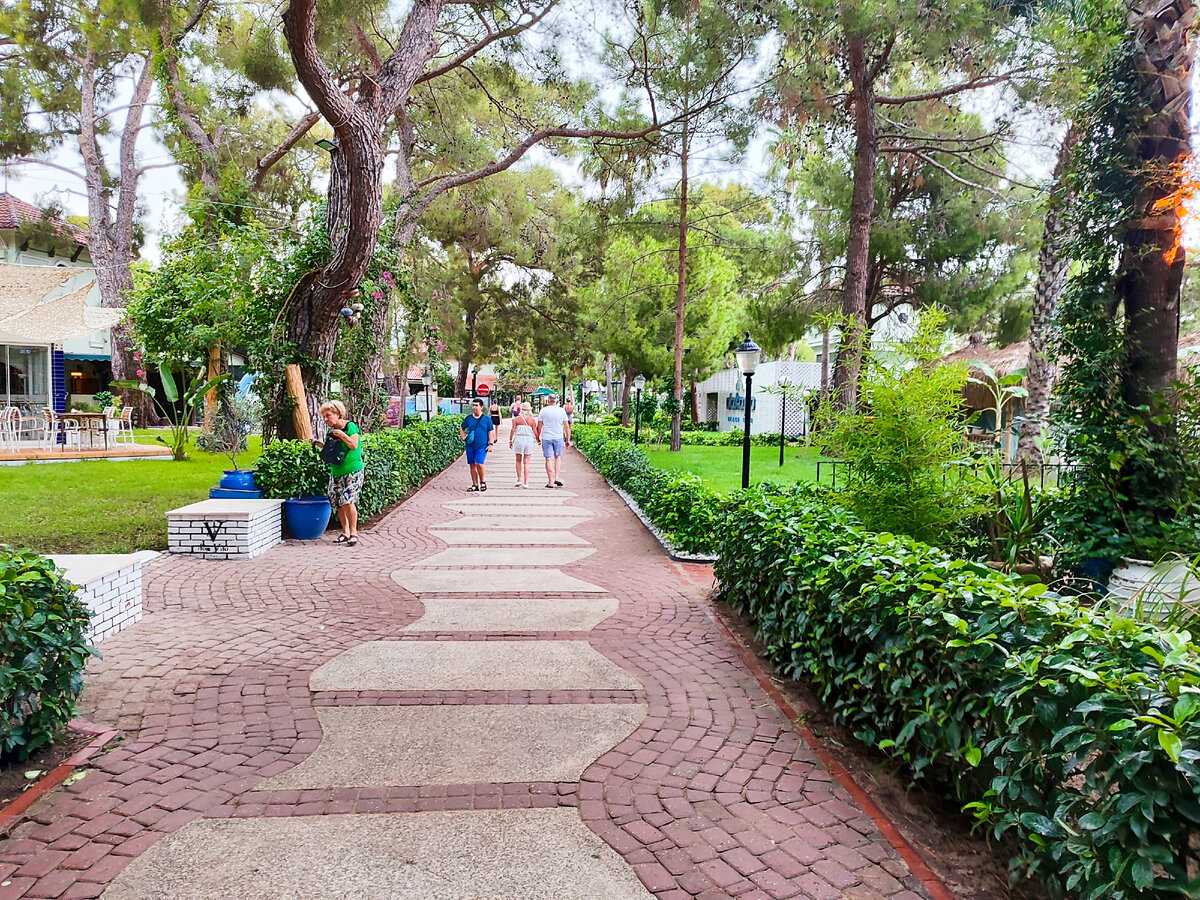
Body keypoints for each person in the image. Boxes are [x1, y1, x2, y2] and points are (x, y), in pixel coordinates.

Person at [315, 400, 364, 546]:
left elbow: (353, 445)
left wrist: (342, 435)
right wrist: (318, 443)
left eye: (328, 416)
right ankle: (345, 532)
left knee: (348, 501)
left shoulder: (350, 427)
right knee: (338, 503)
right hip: (336, 471)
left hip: (352, 471)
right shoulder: (332, 432)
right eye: (323, 417)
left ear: (338, 413)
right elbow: (333, 450)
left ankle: (354, 533)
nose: (326, 420)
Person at [460, 398, 495, 491]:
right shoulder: (468, 418)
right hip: (470, 445)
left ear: (481, 407)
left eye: (476, 405)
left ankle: (482, 481)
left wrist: (491, 444)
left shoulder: (487, 419)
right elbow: (462, 427)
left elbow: (491, 432)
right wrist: (463, 437)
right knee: (472, 464)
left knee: (479, 463)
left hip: (482, 445)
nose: (474, 407)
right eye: (473, 405)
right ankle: (475, 484)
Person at [536, 393, 571, 488]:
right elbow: (567, 426)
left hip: (546, 437)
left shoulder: (543, 411)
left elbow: (539, 427)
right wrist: (568, 439)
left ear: (548, 401)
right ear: (557, 401)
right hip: (558, 437)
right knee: (558, 457)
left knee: (548, 459)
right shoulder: (561, 411)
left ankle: (550, 482)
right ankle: (557, 477)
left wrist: (537, 437)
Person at [509, 401, 539, 488]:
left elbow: (512, 430)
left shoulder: (517, 419)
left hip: (518, 439)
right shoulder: (532, 420)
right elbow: (535, 432)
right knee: (527, 462)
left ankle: (519, 480)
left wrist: (510, 440)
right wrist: (538, 440)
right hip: (529, 440)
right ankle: (526, 482)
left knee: (518, 460)